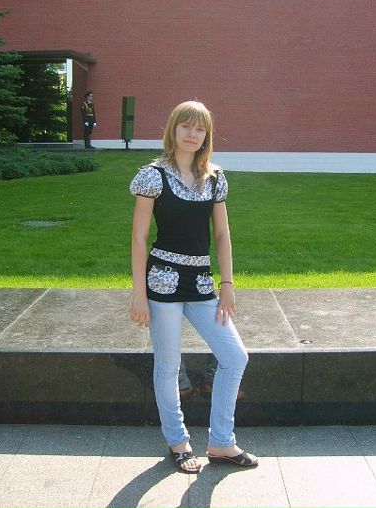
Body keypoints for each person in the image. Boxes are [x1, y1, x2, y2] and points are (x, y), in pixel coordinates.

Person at [130, 100, 258, 474]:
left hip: (202, 283)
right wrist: (139, 294)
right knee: (168, 365)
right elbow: (139, 238)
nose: (192, 133)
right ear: (173, 129)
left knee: (235, 356)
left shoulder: (214, 178)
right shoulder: (153, 176)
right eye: (186, 126)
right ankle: (178, 441)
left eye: (200, 128)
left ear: (207, 135)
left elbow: (222, 234)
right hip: (162, 282)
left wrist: (227, 284)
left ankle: (221, 442)